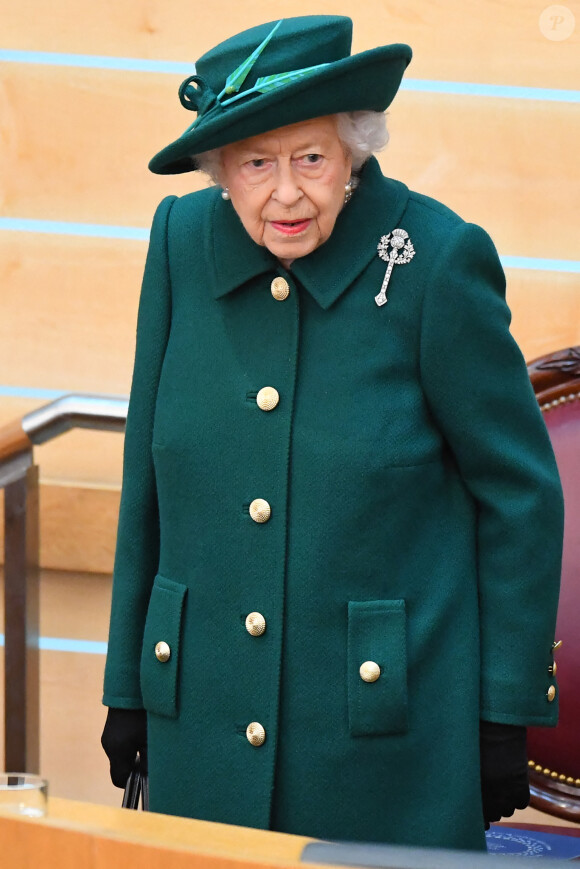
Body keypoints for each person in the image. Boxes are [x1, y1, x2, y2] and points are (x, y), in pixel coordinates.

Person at [101, 15, 563, 852]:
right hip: (198, 718)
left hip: (380, 746)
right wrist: (128, 680)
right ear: (219, 171)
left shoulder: (435, 260)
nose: (285, 192)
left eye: (310, 157)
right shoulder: (178, 245)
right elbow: (148, 476)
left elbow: (519, 494)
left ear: (354, 148)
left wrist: (503, 709)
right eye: (254, 162)